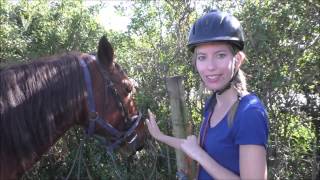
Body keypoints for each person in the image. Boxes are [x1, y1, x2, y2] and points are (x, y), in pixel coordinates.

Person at [146, 9, 269, 180]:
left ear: (238, 60)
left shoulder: (249, 112)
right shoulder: (212, 104)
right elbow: (193, 147)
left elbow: (198, 153)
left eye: (220, 55)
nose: (210, 67)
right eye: (202, 57)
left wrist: (200, 157)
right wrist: (160, 136)